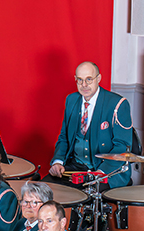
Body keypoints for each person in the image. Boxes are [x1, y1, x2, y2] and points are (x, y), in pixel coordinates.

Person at [48, 61, 135, 189]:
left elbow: (122, 146)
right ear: (75, 79)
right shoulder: (71, 100)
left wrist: (102, 172)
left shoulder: (118, 104)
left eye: (89, 79)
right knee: (45, 189)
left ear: (98, 78)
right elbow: (64, 137)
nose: (84, 85)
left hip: (106, 169)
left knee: (84, 195)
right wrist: (58, 162)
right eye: (80, 80)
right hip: (76, 167)